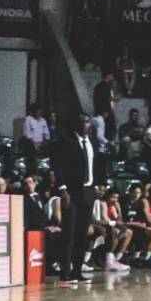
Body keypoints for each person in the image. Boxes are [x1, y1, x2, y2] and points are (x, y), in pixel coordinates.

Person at [51, 114, 101, 280]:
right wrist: (63, 189)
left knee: (82, 234)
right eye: (83, 122)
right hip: (72, 192)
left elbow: (97, 164)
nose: (86, 125)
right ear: (76, 124)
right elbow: (59, 167)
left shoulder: (93, 142)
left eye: (87, 122)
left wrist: (100, 185)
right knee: (69, 234)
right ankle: (65, 272)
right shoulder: (66, 141)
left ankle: (77, 270)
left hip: (88, 191)